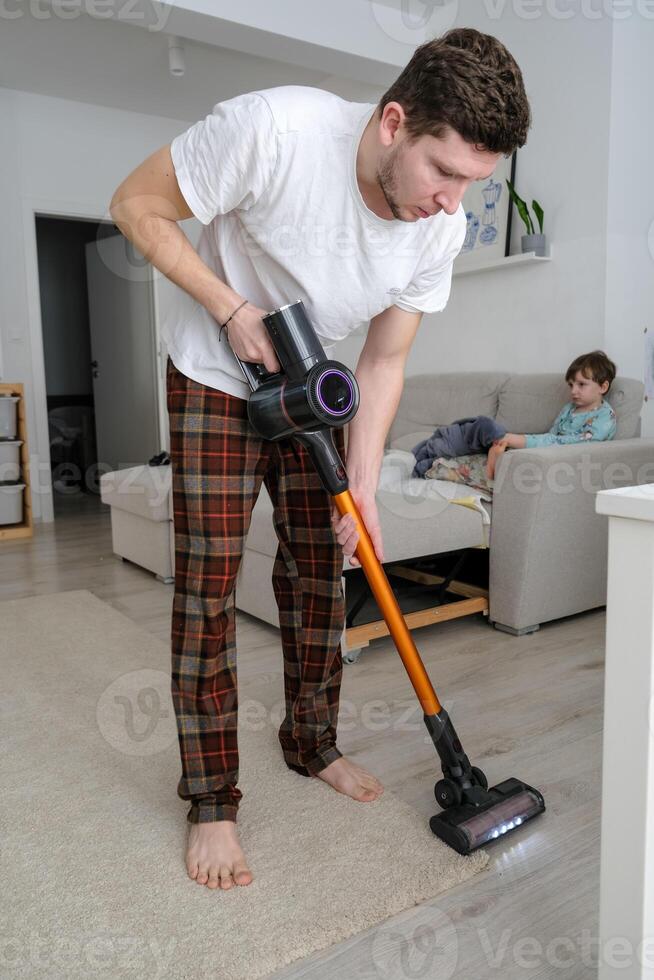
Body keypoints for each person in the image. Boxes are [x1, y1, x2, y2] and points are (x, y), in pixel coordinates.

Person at [109, 28, 531, 891]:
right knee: (209, 586)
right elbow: (133, 206)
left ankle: (310, 745)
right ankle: (212, 799)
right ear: (392, 123)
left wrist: (365, 489)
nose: (455, 203)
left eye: (473, 184)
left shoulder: (436, 231)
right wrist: (230, 309)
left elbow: (383, 361)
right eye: (444, 173)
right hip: (212, 371)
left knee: (316, 576)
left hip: (309, 385)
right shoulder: (273, 131)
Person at [486, 350, 617, 478]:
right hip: (550, 453)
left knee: (510, 444)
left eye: (581, 384)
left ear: (603, 387)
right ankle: (494, 474)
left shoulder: (605, 415)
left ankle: (497, 471)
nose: (573, 391)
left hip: (574, 461)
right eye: (571, 385)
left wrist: (521, 441)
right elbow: (552, 434)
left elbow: (580, 443)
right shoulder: (569, 408)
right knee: (502, 448)